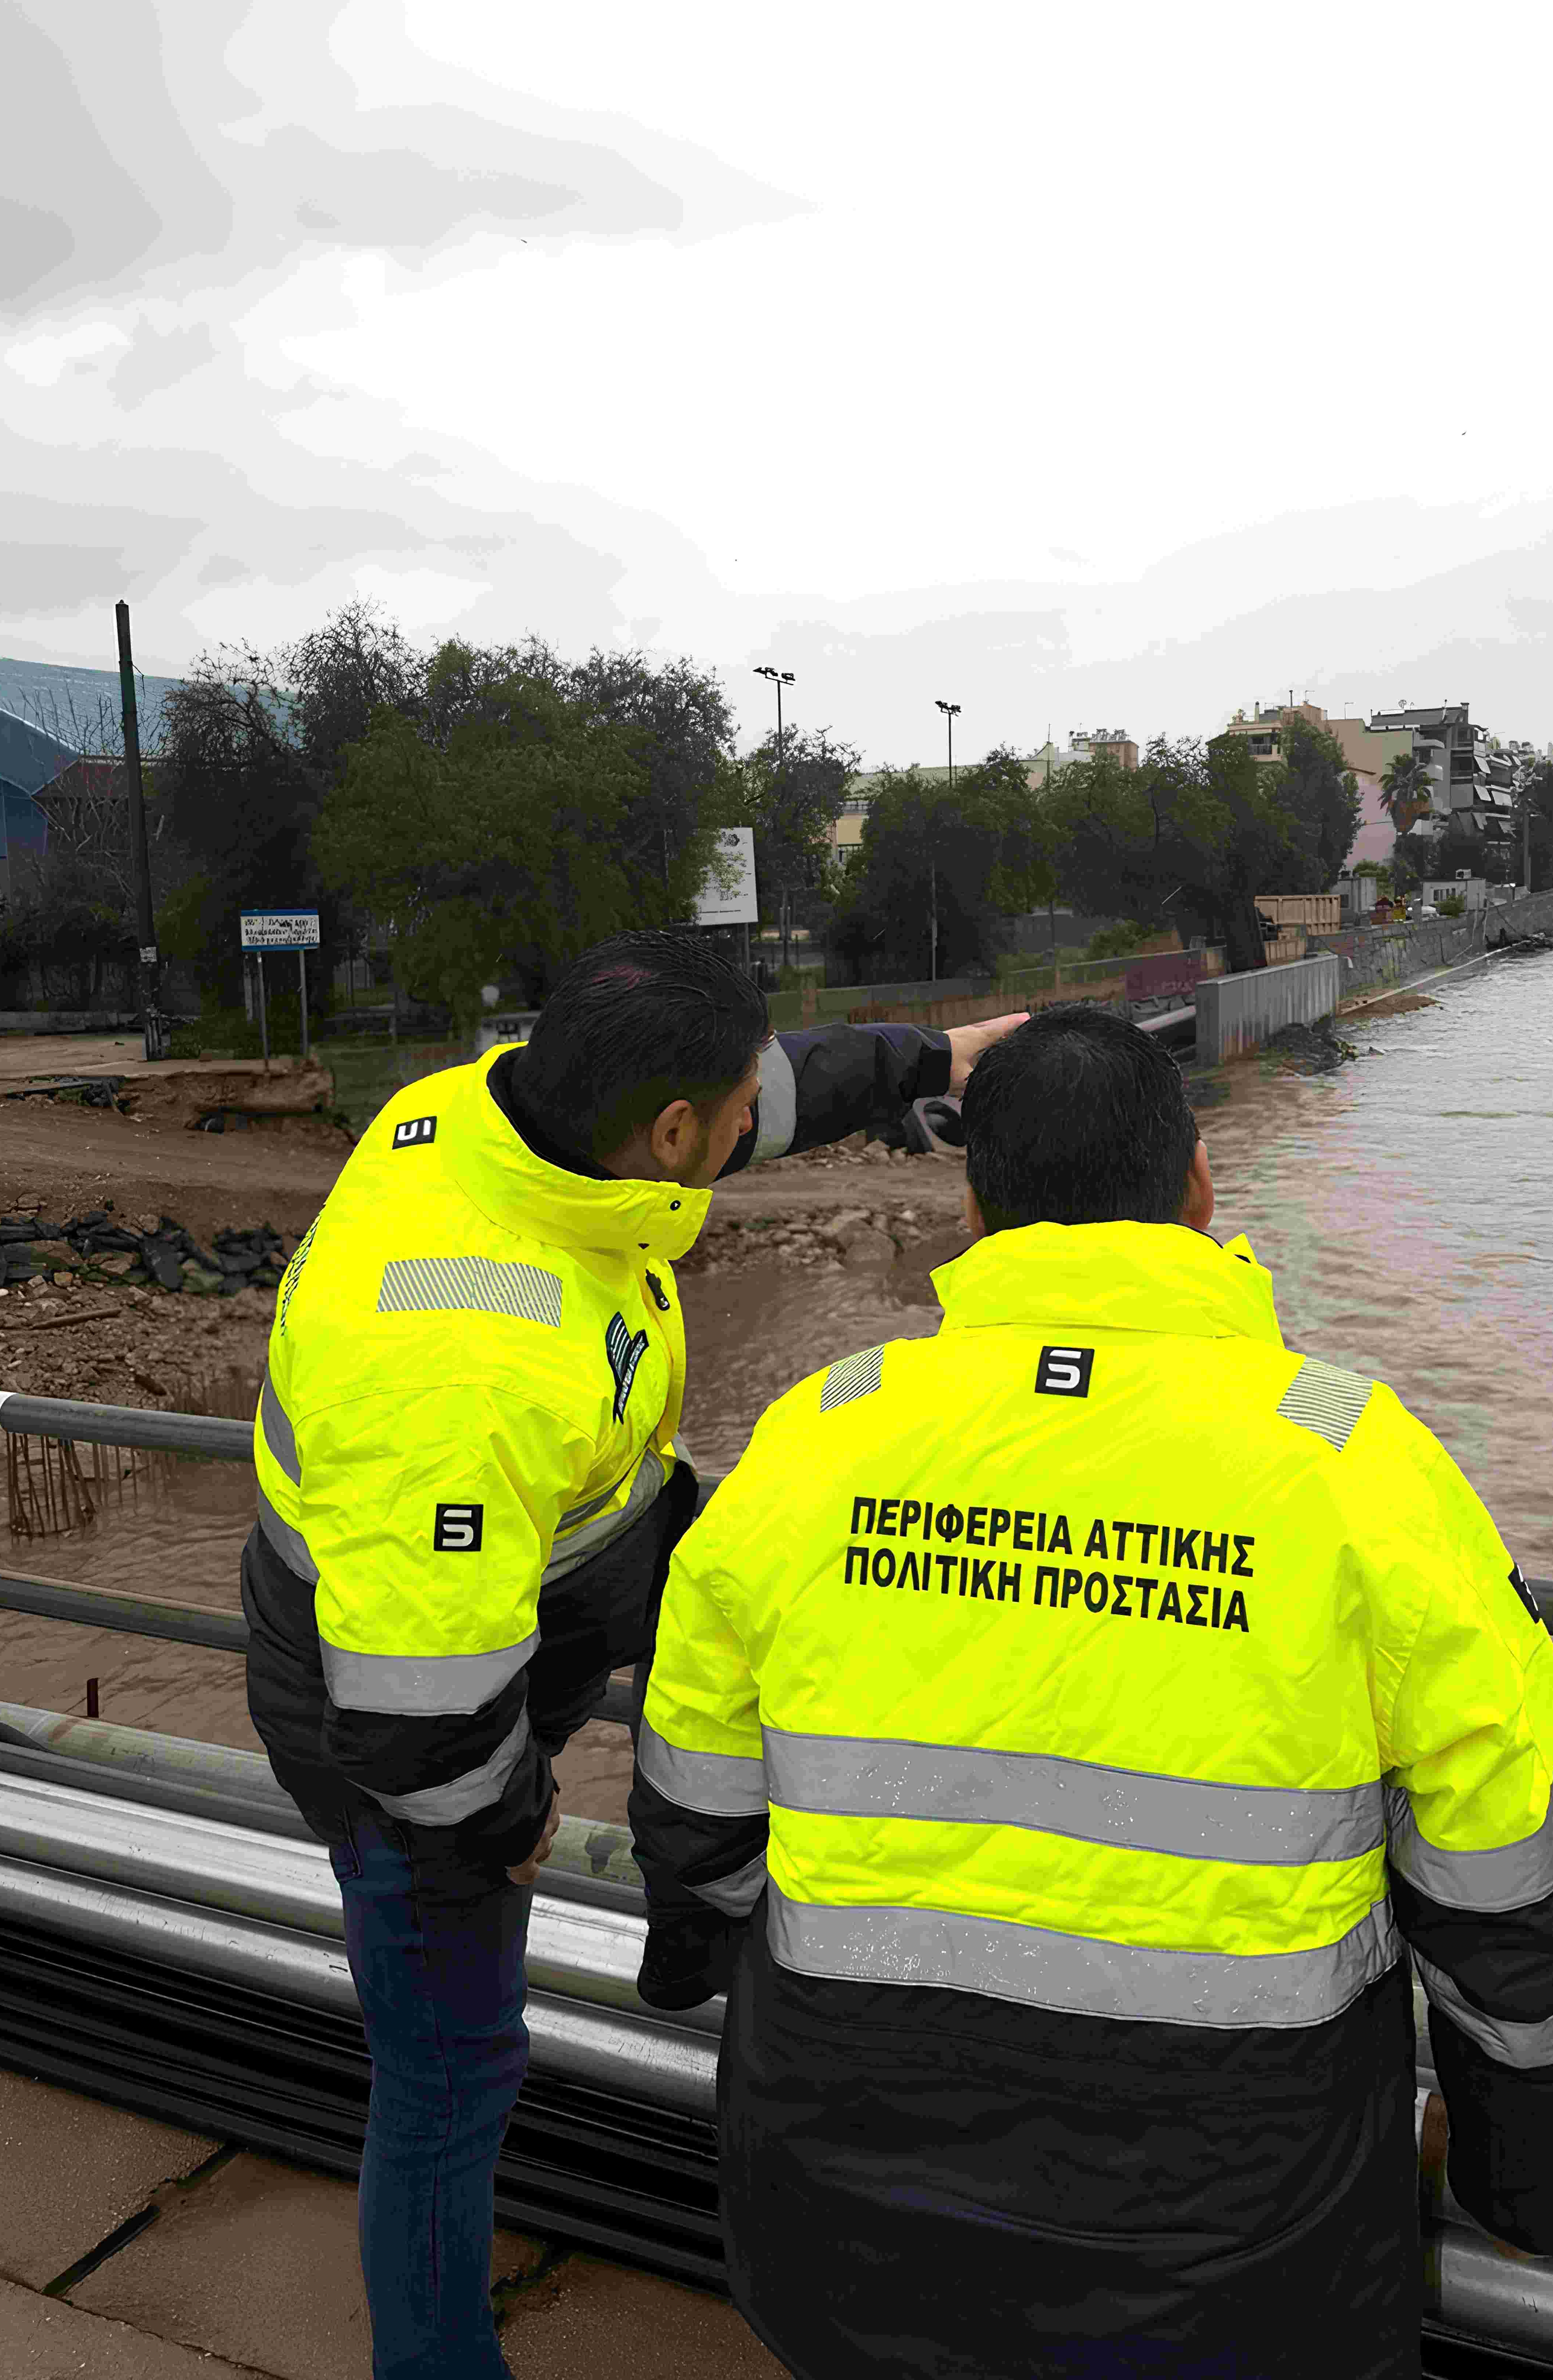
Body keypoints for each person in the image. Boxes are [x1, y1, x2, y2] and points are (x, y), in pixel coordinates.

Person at [630, 1001, 1553, 2380]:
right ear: (1199, 1184)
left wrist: (696, 1979)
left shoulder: (816, 1439)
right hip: (1240, 2255)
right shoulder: (1358, 1470)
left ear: (976, 1201)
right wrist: (1525, 2181)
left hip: (848, 2215)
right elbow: (1520, 1887)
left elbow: (695, 1810)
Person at [241, 927, 1024, 2380]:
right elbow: (415, 1720)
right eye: (727, 1121)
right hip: (401, 1720)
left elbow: (749, 1094)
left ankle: (698, 1912)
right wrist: (512, 1813)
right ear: (668, 1134)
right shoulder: (463, 1363)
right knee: (451, 2073)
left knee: (788, 1632)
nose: (750, 1128)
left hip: (552, 1557)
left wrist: (927, 1063)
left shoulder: (500, 1110)